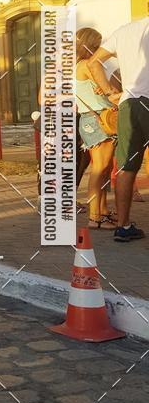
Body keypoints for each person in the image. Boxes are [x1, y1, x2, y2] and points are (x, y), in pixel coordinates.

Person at [88, 16, 149, 241]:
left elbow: (94, 62)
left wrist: (109, 92)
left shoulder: (125, 31)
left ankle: (122, 226)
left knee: (126, 165)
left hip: (128, 104)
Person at [74, 28, 116, 229]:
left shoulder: (76, 66)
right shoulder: (86, 65)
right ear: (90, 46)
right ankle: (94, 216)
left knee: (104, 169)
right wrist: (110, 89)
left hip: (91, 118)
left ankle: (102, 211)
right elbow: (108, 90)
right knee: (100, 169)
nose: (100, 48)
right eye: (97, 45)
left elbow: (98, 88)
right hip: (98, 118)